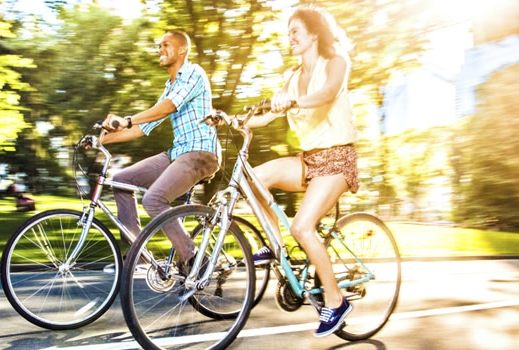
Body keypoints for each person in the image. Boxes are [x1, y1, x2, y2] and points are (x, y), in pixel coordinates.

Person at [238, 4, 358, 337]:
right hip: (309, 160)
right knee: (256, 179)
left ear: (314, 33)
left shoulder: (335, 63)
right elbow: (269, 113)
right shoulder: (292, 77)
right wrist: (239, 120)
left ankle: (336, 302)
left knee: (303, 227)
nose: (289, 38)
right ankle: (277, 247)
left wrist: (292, 102)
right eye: (288, 33)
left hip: (337, 159)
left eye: (295, 32)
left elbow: (328, 93)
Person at [100, 30, 220, 271]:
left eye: (166, 45)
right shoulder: (170, 85)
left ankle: (195, 259)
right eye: (159, 46)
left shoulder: (194, 73)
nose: (160, 49)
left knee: (153, 199)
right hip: (178, 153)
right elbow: (143, 127)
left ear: (183, 50)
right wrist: (100, 139)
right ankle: (139, 255)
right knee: (121, 181)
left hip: (201, 153)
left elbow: (168, 107)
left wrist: (127, 118)